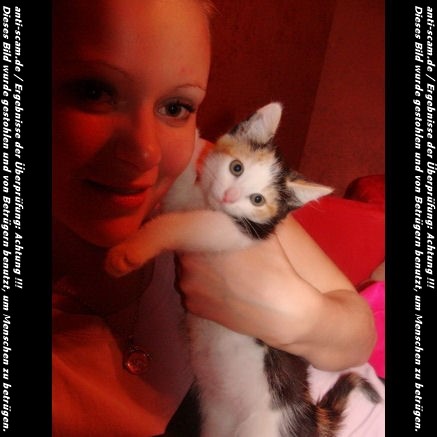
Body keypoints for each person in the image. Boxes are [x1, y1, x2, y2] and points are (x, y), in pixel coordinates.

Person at [52, 0, 384, 436]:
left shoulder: (210, 173)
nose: (146, 152)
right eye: (94, 91)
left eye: (176, 107)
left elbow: (360, 335)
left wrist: (302, 315)